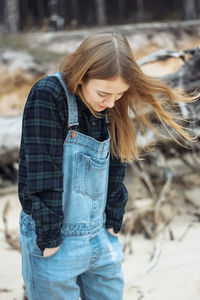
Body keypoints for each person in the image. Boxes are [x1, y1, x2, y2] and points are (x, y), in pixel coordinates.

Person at [18, 32, 195, 300]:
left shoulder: (111, 102)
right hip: (54, 240)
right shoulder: (48, 95)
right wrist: (49, 236)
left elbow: (117, 160)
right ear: (81, 76)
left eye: (119, 94)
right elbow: (42, 171)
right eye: (103, 93)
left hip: (101, 236)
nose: (110, 102)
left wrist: (113, 217)